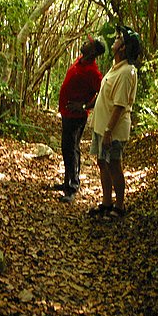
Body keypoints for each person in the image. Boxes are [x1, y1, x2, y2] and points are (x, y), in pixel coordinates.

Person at [89, 25, 142, 217]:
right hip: (102, 126)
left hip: (113, 130)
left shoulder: (128, 72)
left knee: (114, 165)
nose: (115, 39)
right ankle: (106, 202)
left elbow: (120, 105)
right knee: (102, 162)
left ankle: (120, 206)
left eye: (119, 38)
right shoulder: (115, 68)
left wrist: (109, 131)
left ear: (123, 47)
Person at [55, 35, 106, 203]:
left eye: (88, 43)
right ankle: (67, 182)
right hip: (67, 113)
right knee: (66, 147)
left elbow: (102, 94)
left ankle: (72, 187)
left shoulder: (93, 72)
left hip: (76, 116)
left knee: (72, 148)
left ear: (92, 51)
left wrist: (84, 106)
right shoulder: (80, 60)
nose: (84, 44)